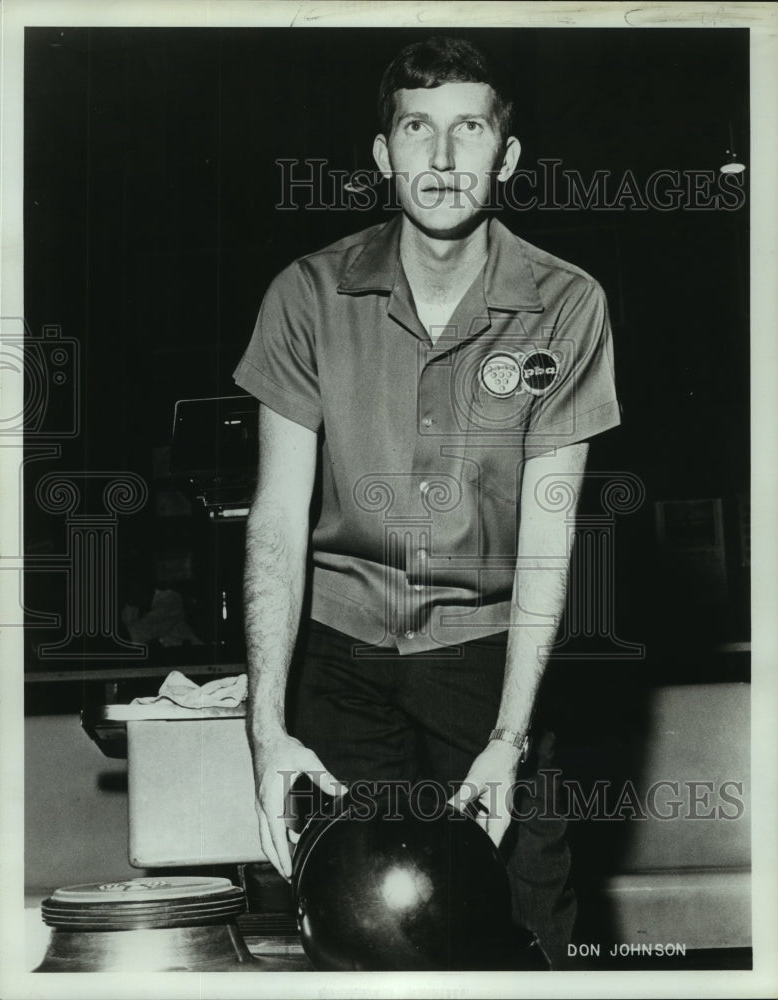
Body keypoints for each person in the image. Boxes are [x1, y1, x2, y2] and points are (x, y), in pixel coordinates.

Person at [233, 35, 620, 969]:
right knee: (363, 932)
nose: (443, 161)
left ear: (507, 156)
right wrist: (267, 729)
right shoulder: (307, 295)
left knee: (531, 933)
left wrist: (508, 742)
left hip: (488, 659)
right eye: (417, 129)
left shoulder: (567, 304)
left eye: (469, 130)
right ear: (383, 155)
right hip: (340, 658)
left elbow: (546, 539)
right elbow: (277, 523)